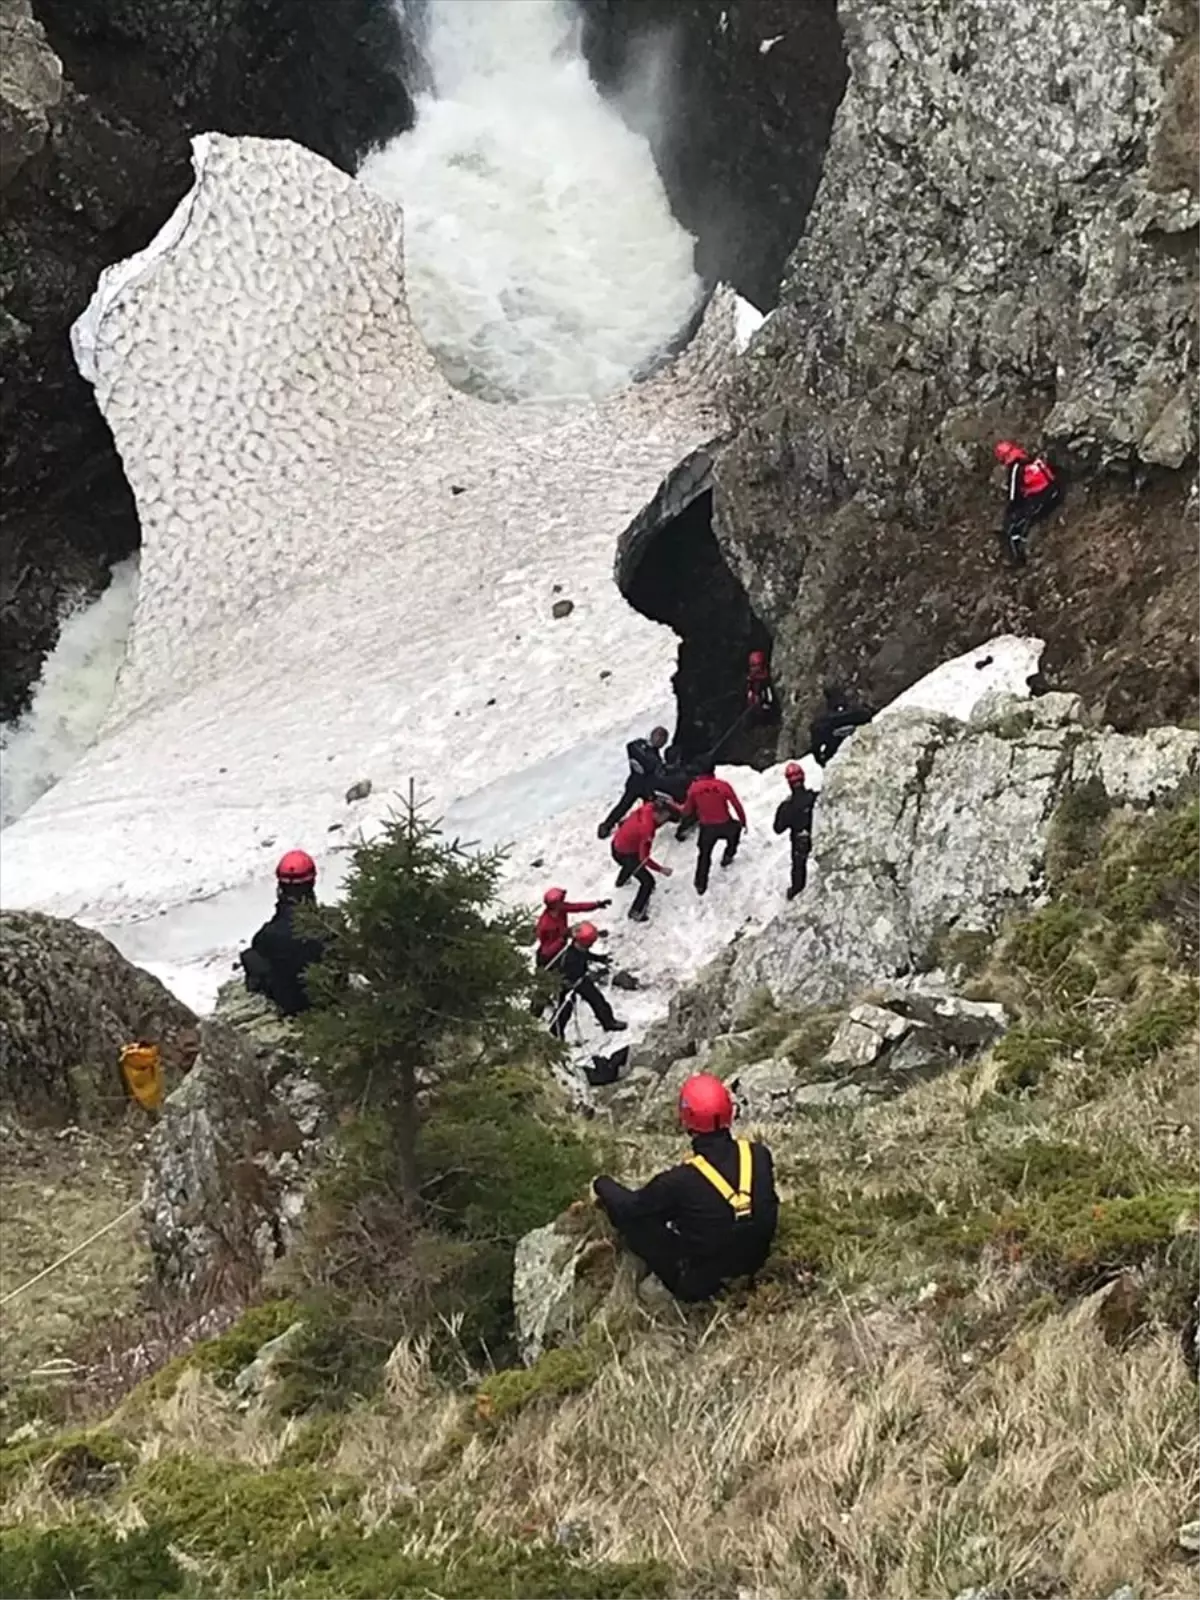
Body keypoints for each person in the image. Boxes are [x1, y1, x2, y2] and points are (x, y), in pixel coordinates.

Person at [592, 1072, 778, 1303]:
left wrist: (602, 1184)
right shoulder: (758, 1155)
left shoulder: (679, 1181)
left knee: (636, 1222)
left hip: (699, 1284)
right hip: (756, 1262)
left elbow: (630, 1207)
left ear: (687, 1119)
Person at [240, 849, 327, 1017]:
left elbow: (258, 948)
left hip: (292, 1005)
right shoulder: (332, 923)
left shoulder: (269, 935)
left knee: (250, 956)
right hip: (329, 999)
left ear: (280, 886)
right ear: (313, 882)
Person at [677, 766, 747, 895]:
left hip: (707, 828)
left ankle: (700, 883)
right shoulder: (723, 785)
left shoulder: (694, 788)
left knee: (704, 855)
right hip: (725, 824)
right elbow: (736, 804)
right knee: (735, 831)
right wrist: (743, 821)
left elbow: (687, 810)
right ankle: (728, 855)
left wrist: (677, 809)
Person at [549, 922, 627, 1039]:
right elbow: (566, 972)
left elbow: (586, 955)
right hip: (567, 984)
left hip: (578, 980)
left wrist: (600, 959)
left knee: (597, 1000)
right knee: (565, 1009)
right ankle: (556, 1032)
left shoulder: (577, 948)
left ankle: (608, 1022)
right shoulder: (570, 956)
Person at [994, 439, 1063, 565]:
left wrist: (1010, 513)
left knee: (1012, 526)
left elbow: (1013, 496)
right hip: (1054, 490)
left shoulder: (1015, 468)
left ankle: (1016, 560)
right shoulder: (1028, 458)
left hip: (1044, 498)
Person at [597, 726, 670, 839]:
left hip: (645, 788)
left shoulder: (652, 755)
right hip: (638, 785)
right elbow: (636, 752)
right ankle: (608, 825)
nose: (660, 741)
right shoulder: (645, 752)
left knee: (646, 812)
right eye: (659, 737)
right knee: (624, 806)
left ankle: (628, 826)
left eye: (662, 739)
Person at [611, 798, 674, 921]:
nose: (665, 820)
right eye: (665, 817)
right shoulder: (647, 830)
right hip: (627, 854)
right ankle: (636, 911)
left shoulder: (648, 807)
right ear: (657, 814)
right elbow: (644, 859)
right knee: (648, 882)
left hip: (616, 845)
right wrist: (661, 869)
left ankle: (621, 882)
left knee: (629, 865)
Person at [773, 761, 816, 900]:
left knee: (798, 867)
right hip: (816, 834)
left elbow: (778, 828)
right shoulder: (814, 797)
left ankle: (797, 891)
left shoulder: (787, 806)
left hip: (799, 839)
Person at [809, 683, 874, 767]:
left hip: (837, 763)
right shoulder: (862, 714)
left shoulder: (820, 724)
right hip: (864, 757)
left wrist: (823, 761)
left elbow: (816, 750)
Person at [745, 649, 779, 726]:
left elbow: (769, 699)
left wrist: (761, 704)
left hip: (764, 714)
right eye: (752, 666)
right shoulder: (751, 681)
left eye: (755, 666)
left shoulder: (765, 683)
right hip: (755, 711)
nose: (754, 669)